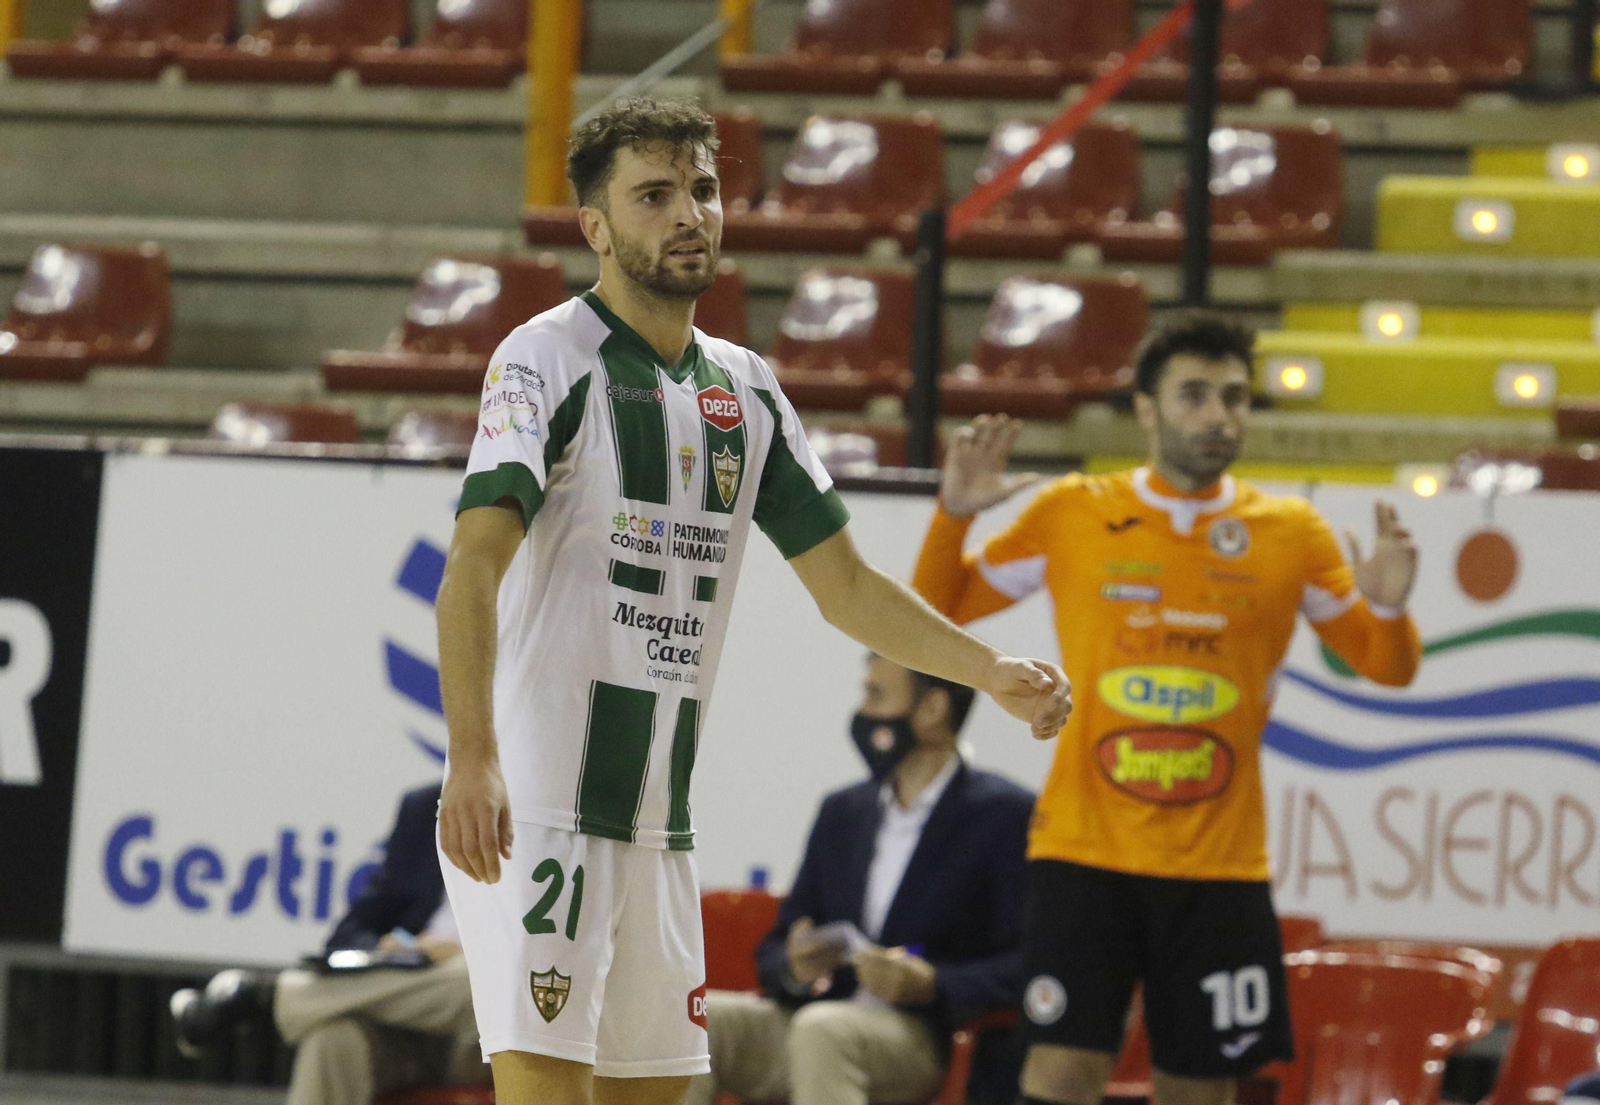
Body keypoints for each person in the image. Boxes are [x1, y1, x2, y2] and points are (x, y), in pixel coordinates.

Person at [433, 96, 1073, 1105]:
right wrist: (472, 758)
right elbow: (472, 567)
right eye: (653, 195)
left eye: (702, 188)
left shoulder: (748, 387)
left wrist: (986, 670)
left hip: (658, 821)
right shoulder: (542, 357)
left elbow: (848, 587)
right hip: (543, 809)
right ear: (595, 228)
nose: (688, 212)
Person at [911, 316, 1423, 1105]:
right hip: (1083, 855)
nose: (1218, 415)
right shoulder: (1075, 513)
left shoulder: (1292, 533)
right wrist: (953, 514)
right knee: (1062, 1069)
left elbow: (1388, 667)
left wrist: (1386, 609)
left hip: (1218, 868)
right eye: (1194, 395)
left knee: (1199, 1082)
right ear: (1146, 408)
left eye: (1233, 396)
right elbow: (937, 608)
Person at [686, 655, 1033, 1105]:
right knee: (694, 1017)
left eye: (876, 695)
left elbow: (1026, 964)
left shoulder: (1005, 815)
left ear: (933, 708)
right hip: (818, 1018)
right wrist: (795, 966)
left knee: (825, 1031)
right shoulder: (843, 811)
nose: (862, 713)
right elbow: (773, 949)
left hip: (924, 1035)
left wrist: (930, 982)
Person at [170, 783, 484, 1105]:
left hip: (485, 1036)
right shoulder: (426, 807)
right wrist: (398, 947)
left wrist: (460, 953)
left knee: (485, 981)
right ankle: (268, 997)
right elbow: (352, 930)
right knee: (332, 1040)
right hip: (408, 1024)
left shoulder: (536, 813)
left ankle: (265, 996)